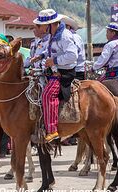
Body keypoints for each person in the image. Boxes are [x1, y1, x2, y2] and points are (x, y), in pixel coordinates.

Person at [33, 9, 78, 142]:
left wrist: (54, 61)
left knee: (47, 94)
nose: (40, 29)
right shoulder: (54, 35)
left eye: (41, 26)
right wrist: (40, 56)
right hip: (55, 70)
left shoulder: (64, 35)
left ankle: (52, 130)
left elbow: (72, 55)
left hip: (64, 73)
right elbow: (51, 51)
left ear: (50, 24)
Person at [62, 16, 86, 80]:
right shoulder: (72, 37)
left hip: (76, 71)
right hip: (73, 70)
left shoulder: (74, 37)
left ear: (68, 27)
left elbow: (73, 55)